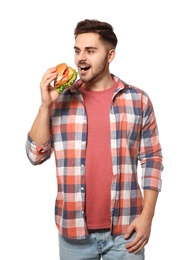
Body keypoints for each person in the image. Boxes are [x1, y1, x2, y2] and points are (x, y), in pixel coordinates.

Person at [25, 19, 163, 260]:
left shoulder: (138, 100)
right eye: (77, 50)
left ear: (110, 55)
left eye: (90, 51)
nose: (81, 58)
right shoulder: (60, 99)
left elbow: (152, 158)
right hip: (73, 233)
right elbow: (35, 155)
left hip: (127, 232)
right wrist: (45, 106)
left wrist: (147, 217)